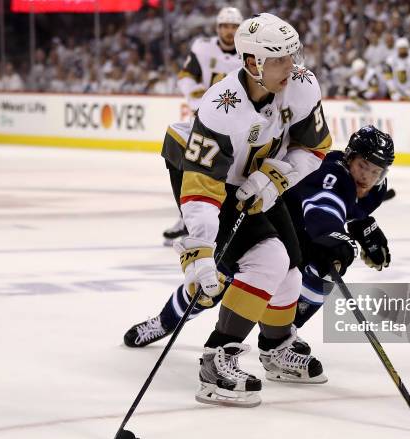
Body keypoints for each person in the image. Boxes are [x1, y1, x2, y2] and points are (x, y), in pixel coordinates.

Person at [149, 13, 333, 408]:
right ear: (253, 63)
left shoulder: (300, 84)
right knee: (267, 258)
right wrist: (199, 247)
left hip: (255, 175)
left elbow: (315, 148)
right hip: (202, 176)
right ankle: (217, 360)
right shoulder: (220, 105)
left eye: (292, 55)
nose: (292, 66)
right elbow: (202, 185)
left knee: (291, 267)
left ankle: (276, 347)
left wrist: (277, 178)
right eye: (280, 59)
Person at [124, 125, 393, 375]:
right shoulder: (333, 175)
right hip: (264, 224)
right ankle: (164, 322)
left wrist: (363, 225)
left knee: (318, 275)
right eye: (363, 166)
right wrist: (334, 235)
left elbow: (348, 208)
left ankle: (280, 339)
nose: (367, 177)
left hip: (299, 239)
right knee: (213, 287)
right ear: (349, 159)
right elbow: (323, 208)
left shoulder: (375, 191)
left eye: (376, 171)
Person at [162, 7, 244, 244]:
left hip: (238, 124)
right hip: (206, 119)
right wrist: (197, 100)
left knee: (229, 173)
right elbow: (186, 76)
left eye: (234, 27)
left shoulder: (248, 51)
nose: (229, 31)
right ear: (218, 28)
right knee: (190, 165)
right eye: (225, 26)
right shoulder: (203, 47)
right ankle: (186, 218)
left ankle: (224, 221)